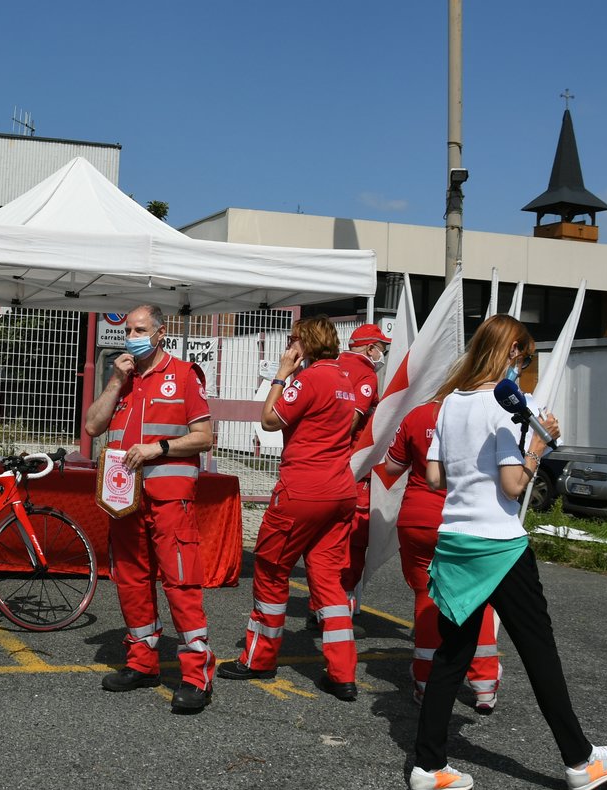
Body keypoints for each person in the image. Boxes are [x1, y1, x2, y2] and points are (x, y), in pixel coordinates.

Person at [409, 313, 607, 790]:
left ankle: (428, 766)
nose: (524, 366)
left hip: (455, 545)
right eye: (524, 356)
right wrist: (538, 447)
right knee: (540, 655)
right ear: (511, 352)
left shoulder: (449, 405)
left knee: (451, 656)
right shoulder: (510, 405)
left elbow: (434, 479)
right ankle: (579, 761)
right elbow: (512, 486)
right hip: (501, 548)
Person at [217, 316, 361, 700]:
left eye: (292, 340)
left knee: (271, 569)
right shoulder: (345, 380)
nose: (288, 346)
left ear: (304, 343)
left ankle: (259, 659)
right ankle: (343, 673)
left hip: (303, 490)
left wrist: (281, 374)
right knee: (329, 581)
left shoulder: (310, 379)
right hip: (341, 490)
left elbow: (269, 419)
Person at [82, 304, 216, 714]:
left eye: (141, 329)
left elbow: (204, 437)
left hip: (170, 497)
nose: (132, 336)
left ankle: (197, 674)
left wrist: (158, 448)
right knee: (131, 580)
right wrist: (114, 380)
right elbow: (92, 426)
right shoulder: (122, 377)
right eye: (128, 330)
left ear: (160, 333)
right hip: (125, 500)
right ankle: (142, 662)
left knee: (180, 581)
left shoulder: (183, 375)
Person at [380, 398, 501, 711]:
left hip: (418, 517)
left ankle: (424, 682)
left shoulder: (418, 415)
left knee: (426, 595)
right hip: (466, 518)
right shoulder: (482, 413)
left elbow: (392, 466)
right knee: (479, 598)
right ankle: (484, 685)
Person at [336, 322, 389, 607]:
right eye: (382, 348)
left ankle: (320, 606)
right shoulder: (366, 374)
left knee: (329, 543)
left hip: (327, 466)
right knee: (354, 543)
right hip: (354, 467)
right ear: (370, 348)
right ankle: (340, 609)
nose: (384, 354)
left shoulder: (331, 366)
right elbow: (350, 421)